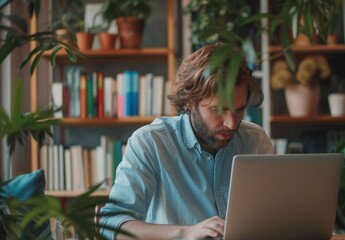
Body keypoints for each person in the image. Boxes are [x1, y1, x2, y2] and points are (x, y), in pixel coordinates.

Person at [100, 44, 274, 240]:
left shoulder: (256, 141)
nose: (231, 123)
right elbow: (110, 224)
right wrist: (185, 232)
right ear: (191, 102)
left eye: (239, 109)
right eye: (217, 110)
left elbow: (274, 215)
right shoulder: (151, 143)